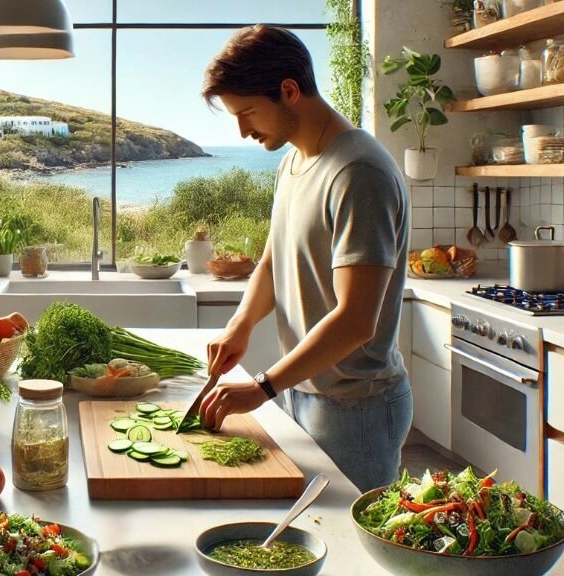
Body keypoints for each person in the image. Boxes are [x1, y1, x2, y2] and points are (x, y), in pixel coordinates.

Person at [197, 24, 412, 491]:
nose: (242, 130)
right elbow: (274, 261)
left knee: (352, 557)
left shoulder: (359, 172)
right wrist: (241, 324)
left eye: (248, 112)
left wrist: (262, 387)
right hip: (304, 390)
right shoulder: (292, 161)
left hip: (357, 408)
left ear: (289, 91)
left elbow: (356, 321)